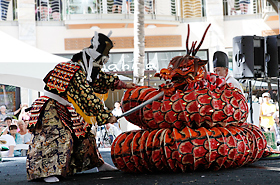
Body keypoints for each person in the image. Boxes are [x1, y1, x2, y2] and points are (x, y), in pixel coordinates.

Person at [26, 31, 136, 182]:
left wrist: (123, 84)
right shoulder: (73, 70)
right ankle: (47, 172)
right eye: (99, 62)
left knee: (84, 135)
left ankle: (98, 163)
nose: (100, 67)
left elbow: (98, 79)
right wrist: (106, 116)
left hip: (63, 106)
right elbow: (87, 97)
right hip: (50, 108)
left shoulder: (83, 69)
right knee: (57, 136)